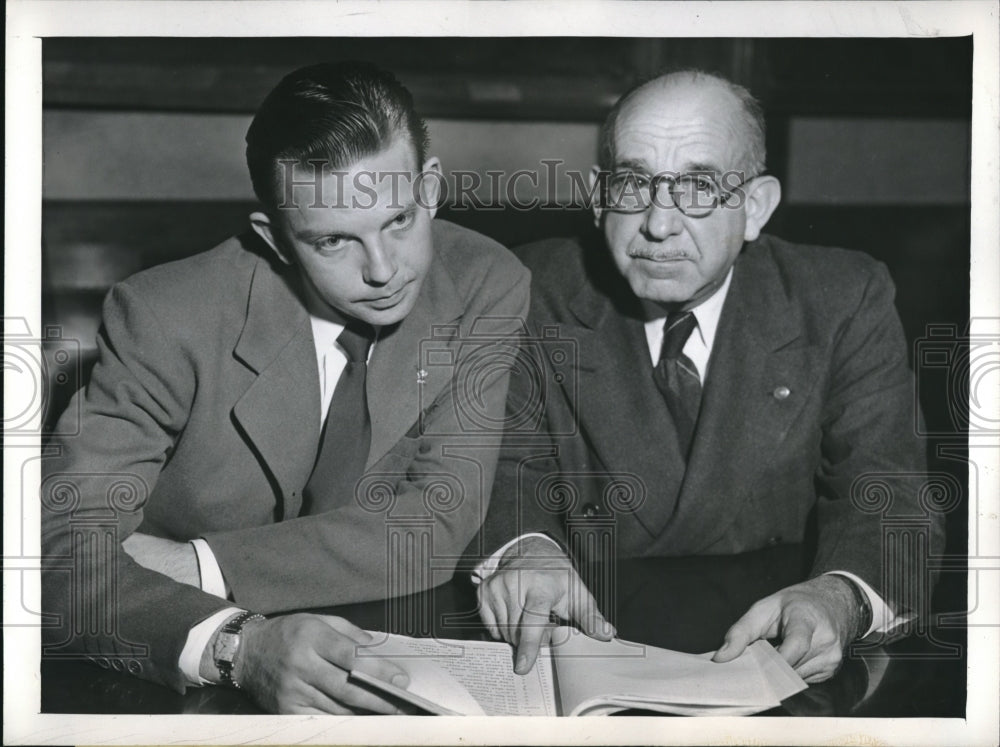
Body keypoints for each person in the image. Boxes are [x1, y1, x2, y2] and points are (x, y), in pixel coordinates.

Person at [41, 61, 530, 714]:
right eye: (333, 240)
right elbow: (53, 553)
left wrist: (199, 563)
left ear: (431, 187)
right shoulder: (165, 315)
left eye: (399, 219)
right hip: (167, 680)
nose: (384, 270)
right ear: (275, 239)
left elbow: (435, 525)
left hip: (381, 654)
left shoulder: (483, 281)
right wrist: (238, 646)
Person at [474, 69, 943, 684]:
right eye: (634, 183)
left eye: (698, 187)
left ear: (754, 208)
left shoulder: (841, 299)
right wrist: (524, 548)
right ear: (597, 197)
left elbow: (887, 491)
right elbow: (502, 468)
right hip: (586, 647)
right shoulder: (526, 289)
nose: (659, 225)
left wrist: (841, 596)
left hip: (770, 653)